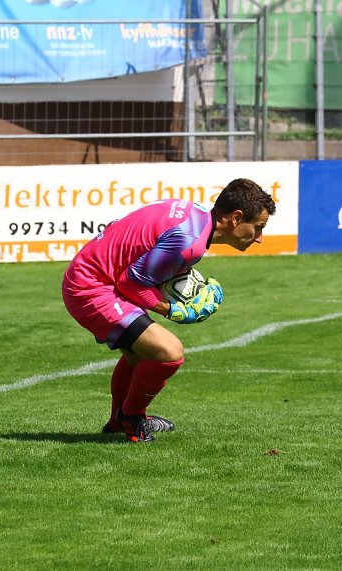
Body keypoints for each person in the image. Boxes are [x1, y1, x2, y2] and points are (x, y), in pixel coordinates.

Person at [62, 178, 277, 443]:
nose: (259, 238)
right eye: (258, 227)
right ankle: (133, 418)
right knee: (169, 352)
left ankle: (119, 419)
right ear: (235, 218)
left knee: (140, 355)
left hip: (94, 277)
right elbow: (131, 283)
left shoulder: (195, 215)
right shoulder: (189, 242)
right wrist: (174, 310)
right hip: (91, 288)